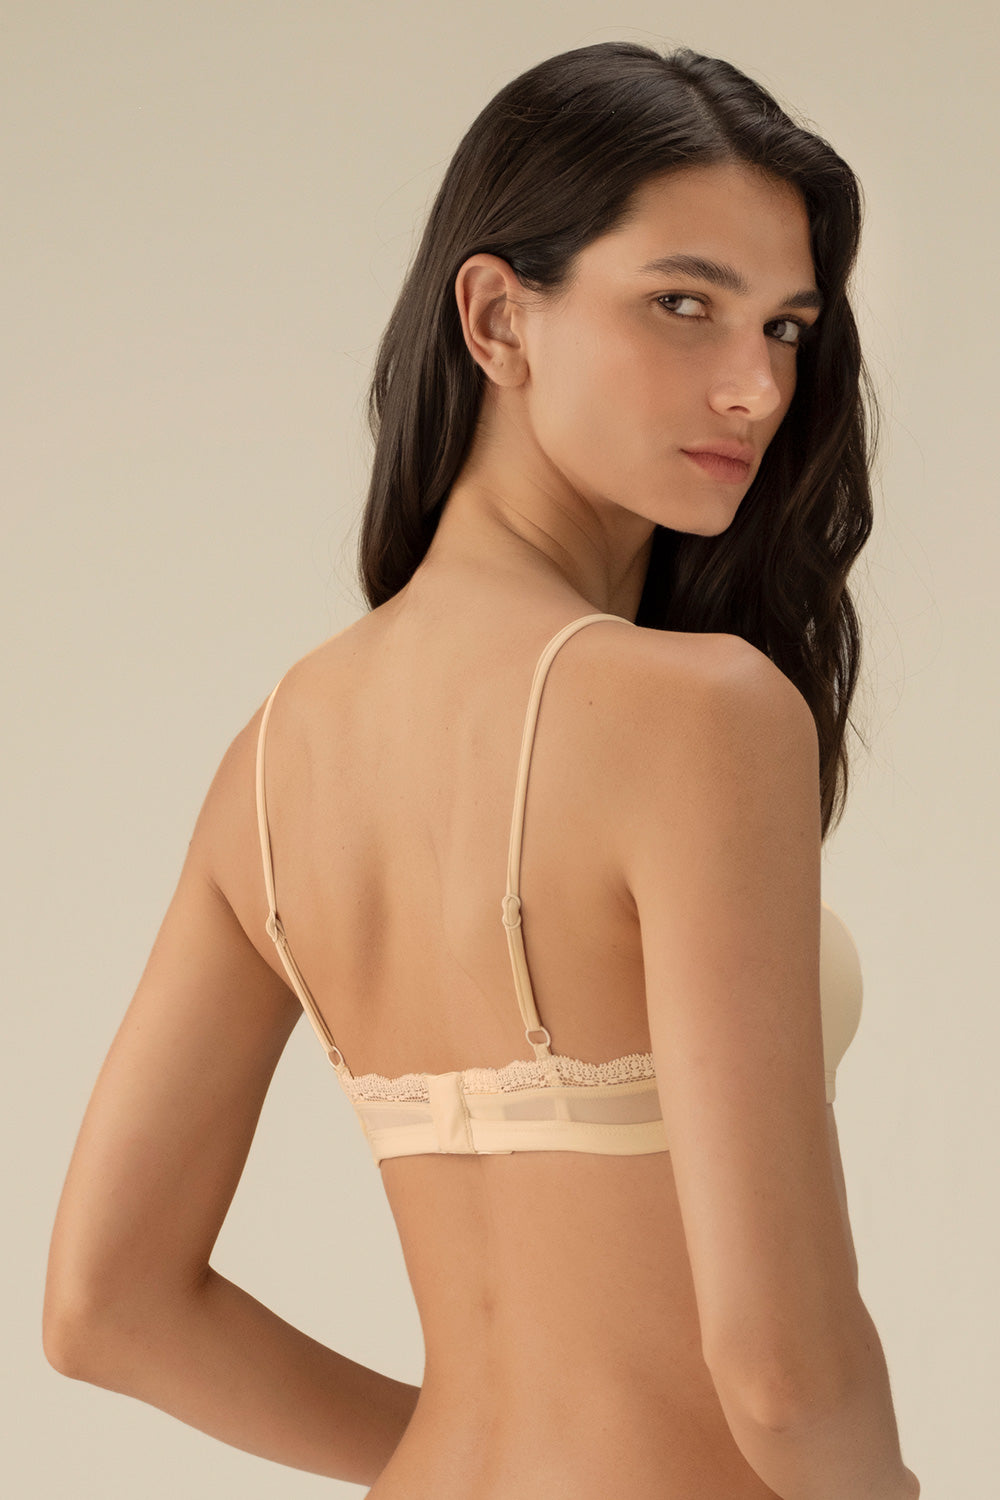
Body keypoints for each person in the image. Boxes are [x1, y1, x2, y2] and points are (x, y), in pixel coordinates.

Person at [43, 39, 921, 1499]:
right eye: (684, 305)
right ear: (500, 318)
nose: (757, 389)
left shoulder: (272, 759)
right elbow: (781, 1369)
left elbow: (105, 1309)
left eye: (784, 327)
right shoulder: (702, 715)